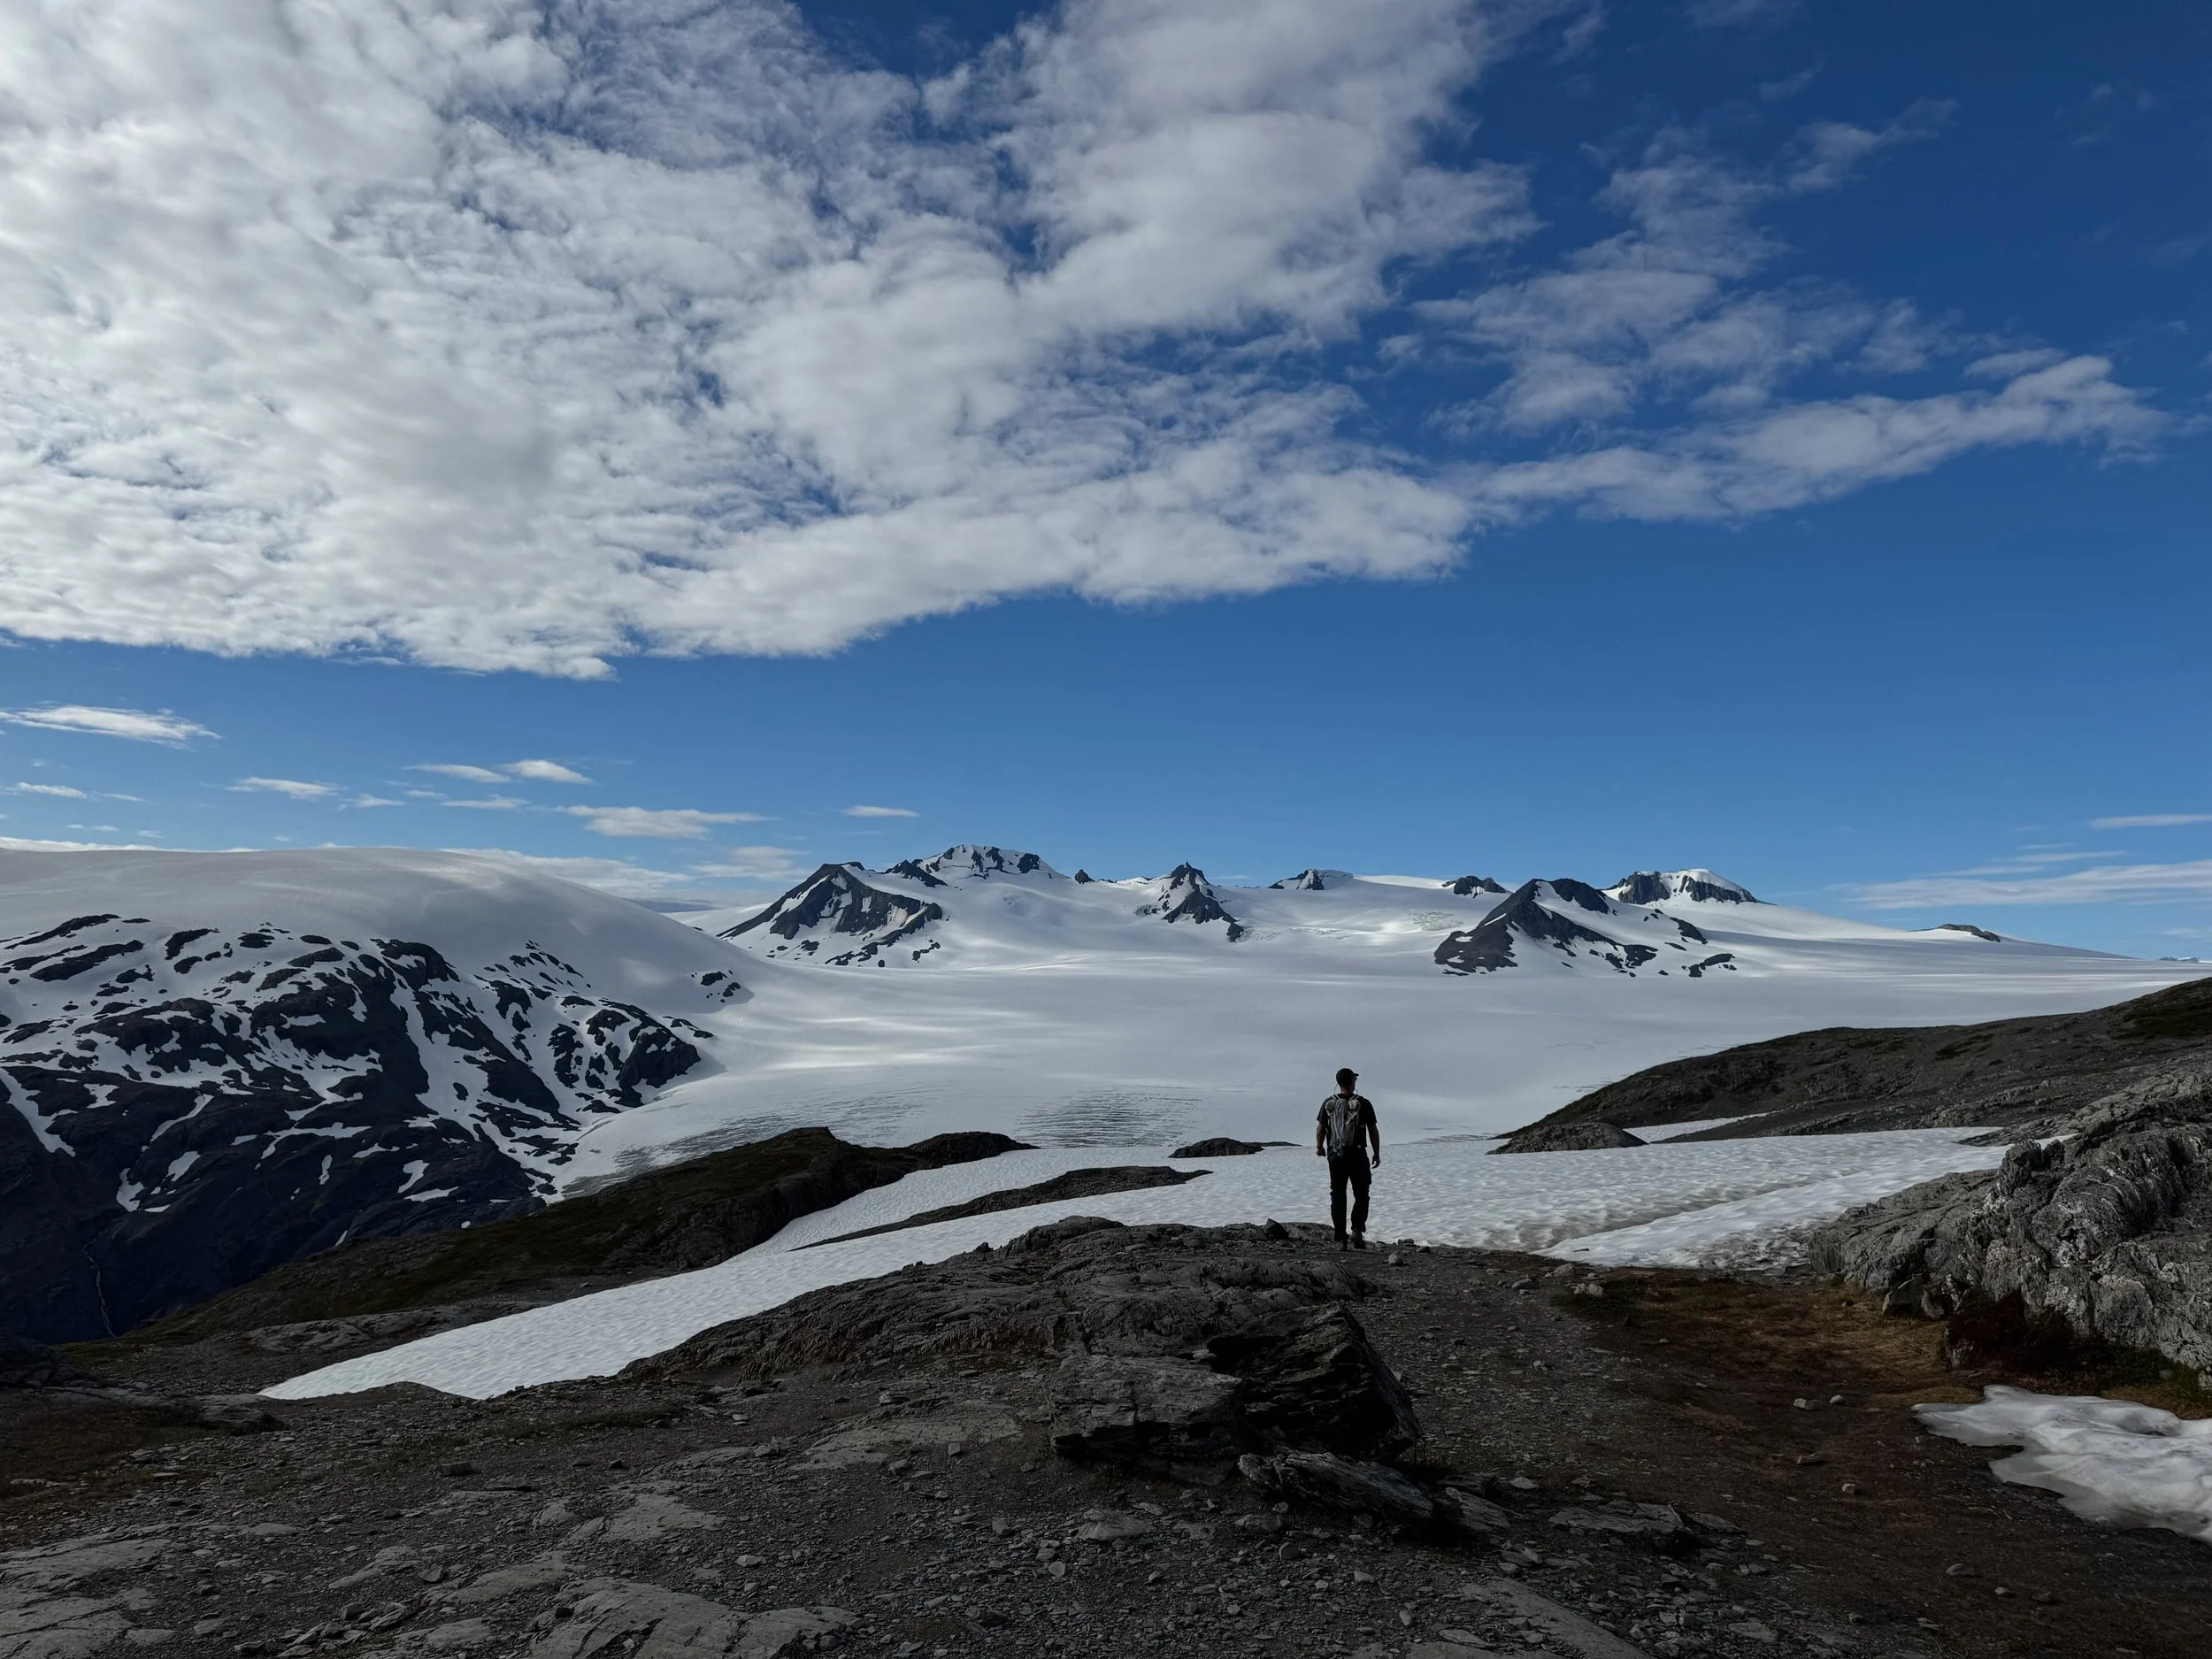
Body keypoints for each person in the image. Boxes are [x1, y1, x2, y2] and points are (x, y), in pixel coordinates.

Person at [1315, 1067, 1381, 1249]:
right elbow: (1373, 1130)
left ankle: (1340, 1238)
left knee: (1338, 1194)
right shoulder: (1364, 1103)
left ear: (1339, 1083)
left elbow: (1321, 1128)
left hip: (1335, 1156)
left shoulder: (1328, 1103)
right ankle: (1357, 1232)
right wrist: (1376, 1152)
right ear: (1352, 1082)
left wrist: (1320, 1147)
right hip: (1357, 1154)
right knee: (1361, 1193)